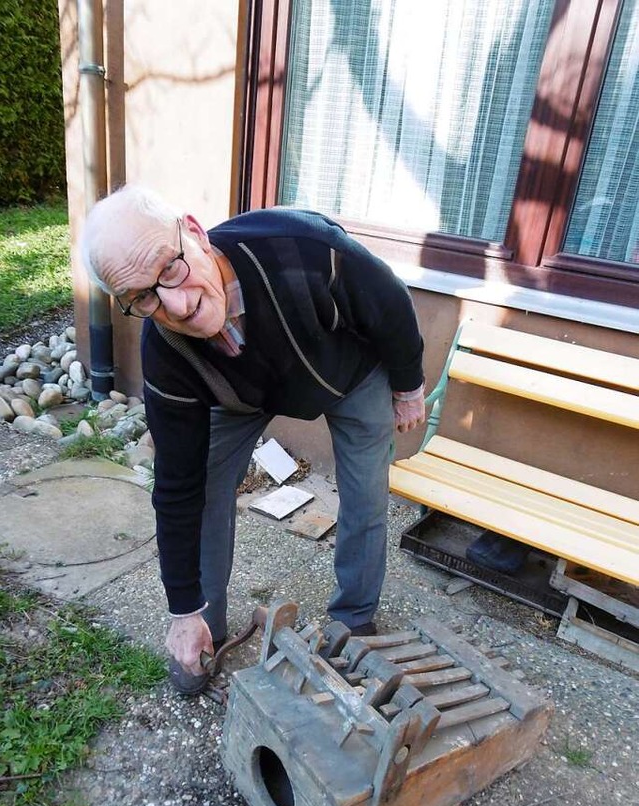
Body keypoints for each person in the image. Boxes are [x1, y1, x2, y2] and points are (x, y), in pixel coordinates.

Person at [81, 185, 425, 694]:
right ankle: (204, 628)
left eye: (171, 269)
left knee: (366, 494)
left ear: (195, 233)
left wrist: (409, 385)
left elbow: (389, 304)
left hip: (349, 373)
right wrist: (180, 610)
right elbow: (176, 488)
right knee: (202, 493)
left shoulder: (302, 249)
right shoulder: (167, 353)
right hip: (241, 395)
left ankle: (354, 619)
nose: (175, 303)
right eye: (144, 297)